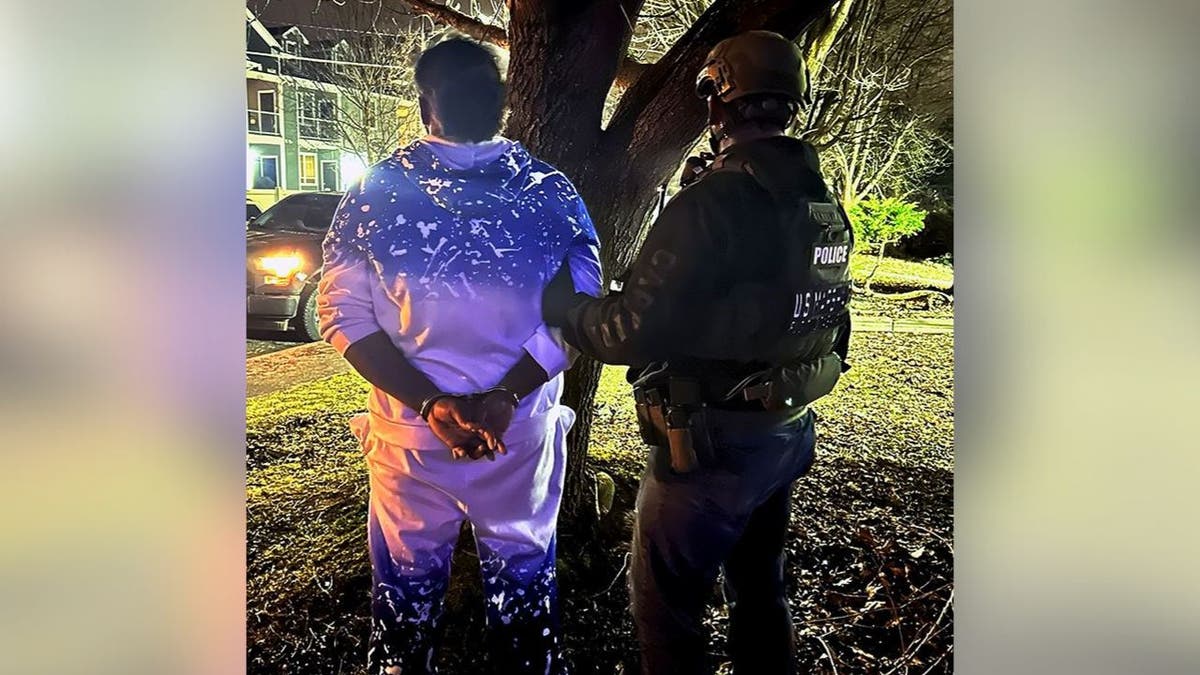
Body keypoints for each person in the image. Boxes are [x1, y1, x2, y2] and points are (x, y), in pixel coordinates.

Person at [542, 30, 854, 675]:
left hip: (709, 448)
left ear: (717, 101)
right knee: (761, 595)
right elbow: (828, 319)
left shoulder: (713, 203)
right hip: (784, 431)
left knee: (667, 611)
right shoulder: (821, 203)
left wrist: (561, 308)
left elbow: (631, 331)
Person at [317, 37, 602, 675]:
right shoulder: (554, 196)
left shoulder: (374, 195)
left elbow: (341, 314)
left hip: (410, 437)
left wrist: (433, 403)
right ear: (504, 103)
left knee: (406, 598)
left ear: (425, 104)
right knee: (524, 588)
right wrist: (504, 396)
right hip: (518, 435)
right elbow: (582, 316)